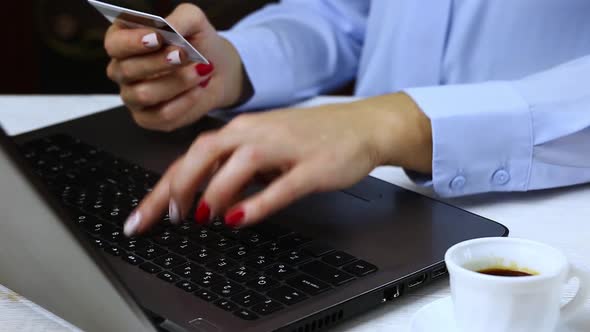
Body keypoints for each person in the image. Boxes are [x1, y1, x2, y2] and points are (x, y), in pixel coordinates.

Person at [102, 1, 590, 237]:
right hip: (360, 196)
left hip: (549, 221)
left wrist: (391, 122)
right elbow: (340, 12)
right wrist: (231, 65)